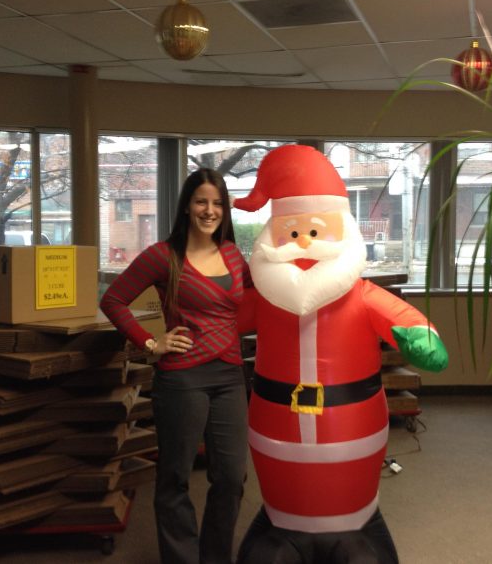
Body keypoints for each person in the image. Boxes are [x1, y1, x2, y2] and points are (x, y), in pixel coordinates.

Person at [233, 145, 449, 564]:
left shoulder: (363, 297)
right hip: (276, 437)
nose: (303, 243)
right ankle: (281, 523)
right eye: (291, 233)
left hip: (352, 440)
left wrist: (421, 338)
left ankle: (356, 525)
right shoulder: (265, 299)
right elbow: (222, 321)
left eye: (315, 233)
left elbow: (408, 324)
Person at [100, 168, 251, 564]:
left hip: (230, 375)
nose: (210, 210)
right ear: (187, 206)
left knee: (231, 477)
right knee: (175, 477)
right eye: (201, 201)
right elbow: (113, 300)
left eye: (218, 203)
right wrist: (152, 342)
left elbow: (265, 288)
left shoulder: (233, 254)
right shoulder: (163, 255)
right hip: (183, 377)